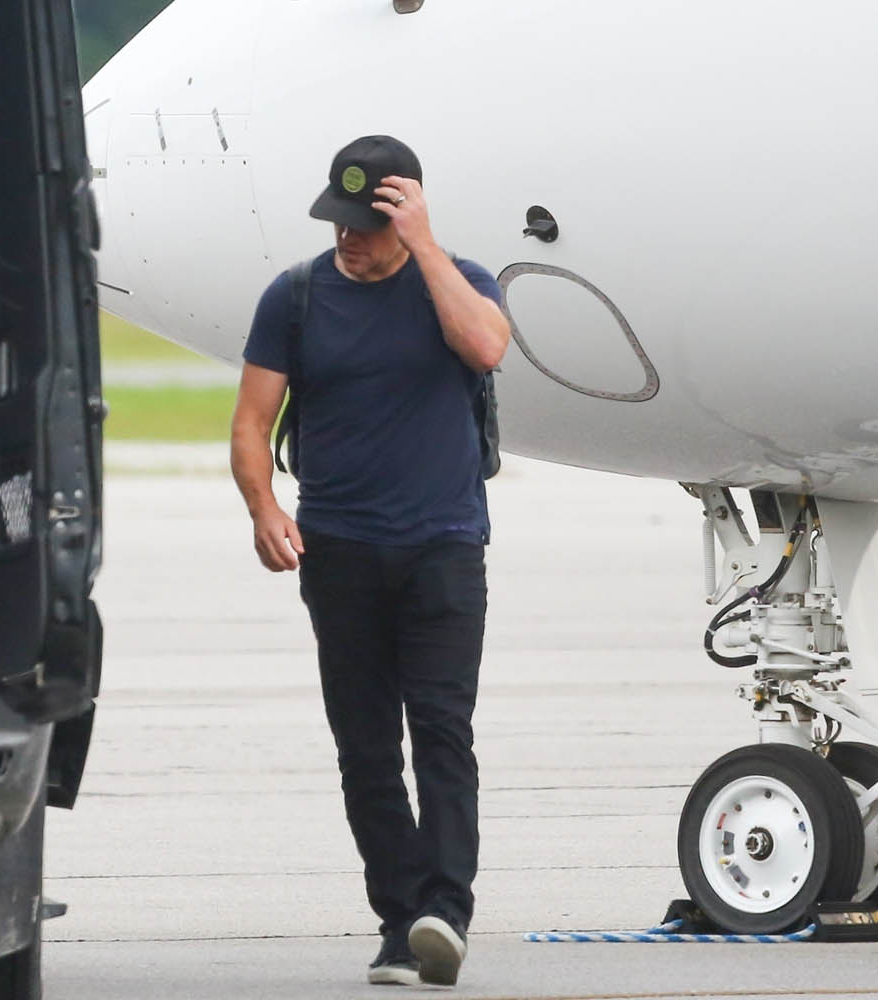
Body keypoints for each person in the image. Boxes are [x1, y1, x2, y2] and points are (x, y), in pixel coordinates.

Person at [229, 135, 510, 987]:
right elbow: (251, 421)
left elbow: (487, 348)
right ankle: (400, 922)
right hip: (340, 554)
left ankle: (445, 913)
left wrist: (424, 247)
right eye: (339, 221)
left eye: (368, 224)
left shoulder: (461, 282)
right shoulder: (295, 297)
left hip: (443, 549)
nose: (348, 237)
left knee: (443, 734)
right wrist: (264, 507)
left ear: (409, 212)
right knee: (365, 749)